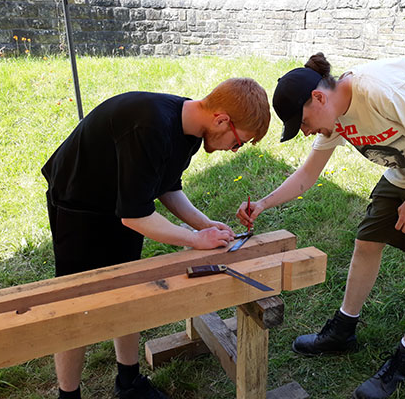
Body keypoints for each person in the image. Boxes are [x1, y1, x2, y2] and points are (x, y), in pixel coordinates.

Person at [236, 54, 405, 399]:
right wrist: (264, 203)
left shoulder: (380, 91)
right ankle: (343, 330)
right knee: (367, 241)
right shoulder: (335, 115)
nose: (307, 132)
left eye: (304, 123)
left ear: (319, 98)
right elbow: (307, 174)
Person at [43, 78, 271, 399]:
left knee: (128, 291)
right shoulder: (150, 125)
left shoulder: (190, 132)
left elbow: (166, 188)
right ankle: (69, 395)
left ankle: (129, 382)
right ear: (221, 119)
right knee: (75, 304)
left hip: (122, 201)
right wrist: (195, 239)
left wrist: (205, 225)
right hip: (78, 201)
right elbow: (135, 216)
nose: (232, 150)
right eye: (237, 143)